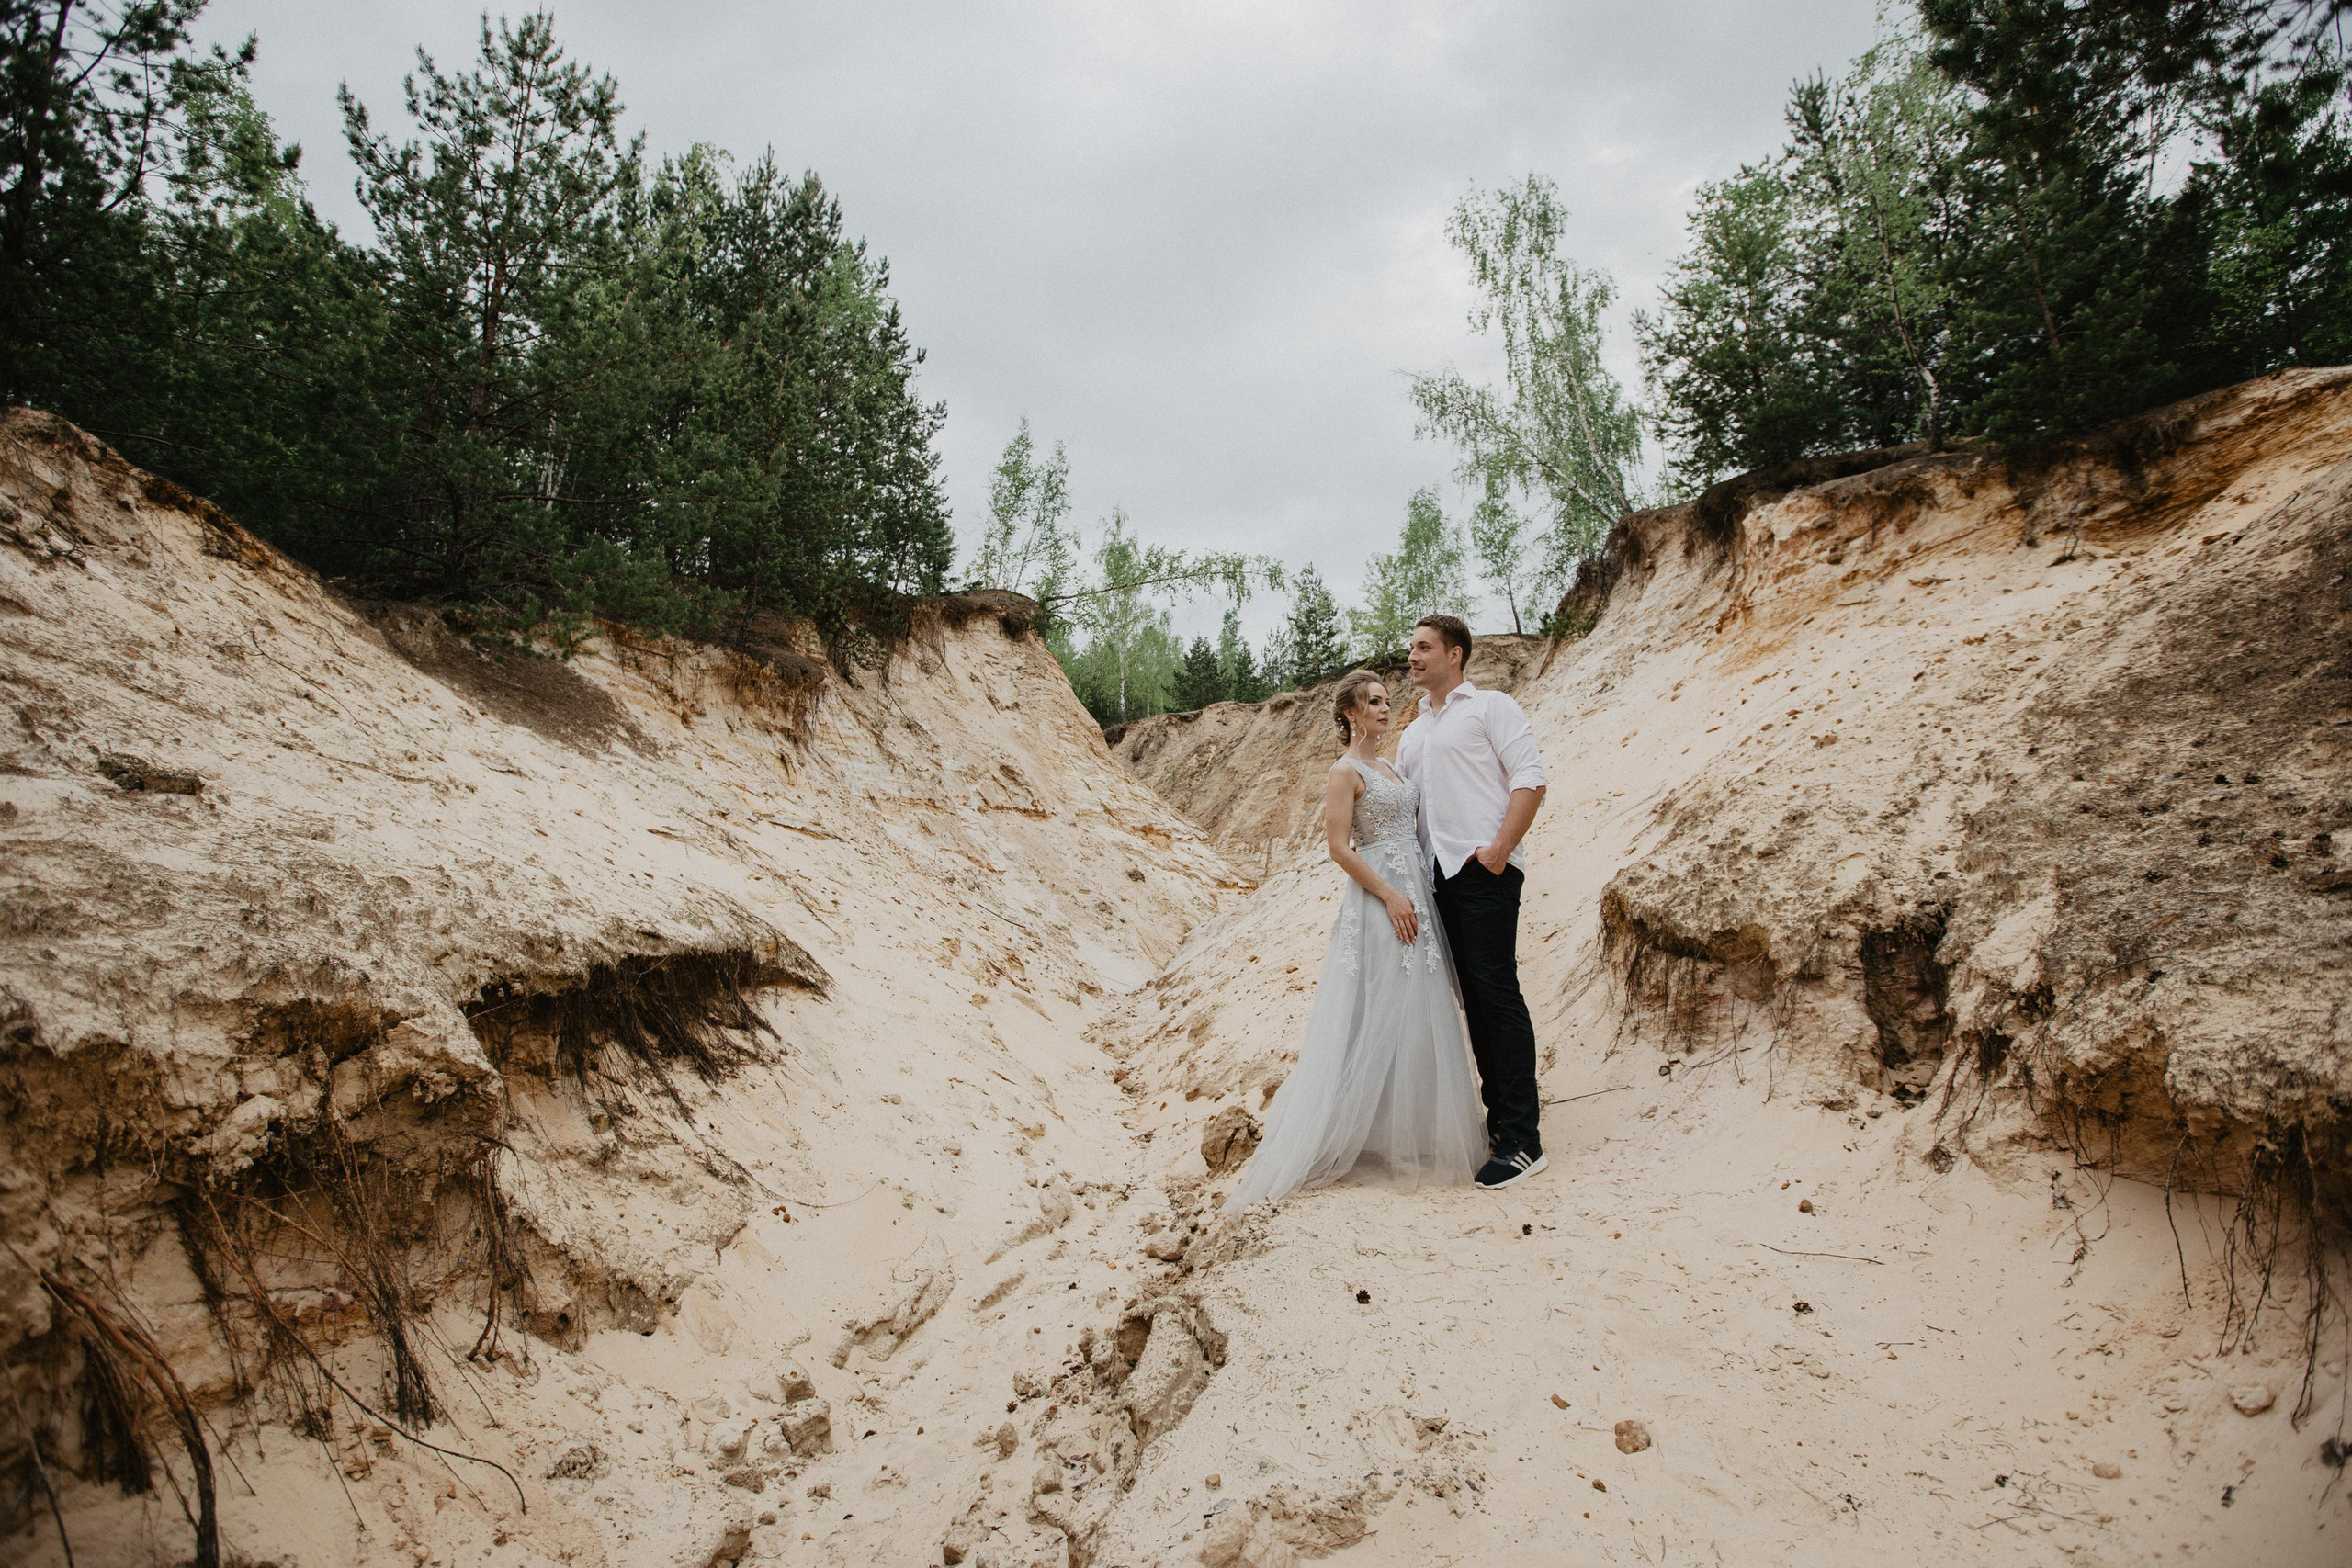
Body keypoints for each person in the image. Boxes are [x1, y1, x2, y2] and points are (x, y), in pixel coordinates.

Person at [1222, 671, 1487, 1209]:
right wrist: (1389, 895)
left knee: (1421, 1007)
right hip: (1379, 897)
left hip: (1417, 889)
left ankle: (1412, 1133)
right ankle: (1357, 1136)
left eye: (1388, 701)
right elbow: (1339, 848)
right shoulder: (1343, 771)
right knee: (1381, 1005)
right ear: (1349, 713)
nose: (1385, 709)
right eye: (1373, 702)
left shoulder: (1392, 766)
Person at [1395, 615, 1550, 1190]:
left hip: (1484, 869)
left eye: (1423, 647)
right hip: (1437, 879)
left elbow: (1530, 779)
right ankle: (1502, 1122)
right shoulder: (1413, 733)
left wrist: (1499, 851)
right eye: (1411, 647)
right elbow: (1406, 809)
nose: (1412, 656)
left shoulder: (1491, 708)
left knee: (1496, 992)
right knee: (1472, 1002)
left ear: (1454, 654)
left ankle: (1522, 1140)